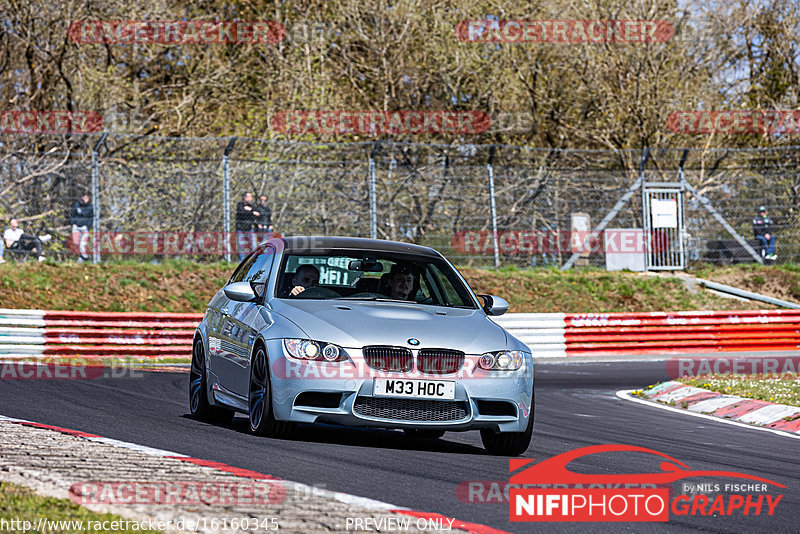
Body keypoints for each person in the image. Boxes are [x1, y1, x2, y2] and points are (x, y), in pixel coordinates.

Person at [235, 193, 261, 260]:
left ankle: (251, 260)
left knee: (253, 246)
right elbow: (241, 213)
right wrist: (252, 212)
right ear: (245, 197)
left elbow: (258, 212)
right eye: (249, 197)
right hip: (240, 228)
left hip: (249, 228)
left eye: (251, 197)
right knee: (241, 246)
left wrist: (250, 210)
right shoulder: (240, 205)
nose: (250, 198)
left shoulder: (251, 206)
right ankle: (241, 261)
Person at [70, 192, 93, 261]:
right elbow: (72, 215)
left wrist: (88, 226)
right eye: (85, 197)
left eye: (88, 198)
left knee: (82, 245)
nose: (86, 199)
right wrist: (73, 223)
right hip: (76, 227)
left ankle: (83, 258)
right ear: (82, 198)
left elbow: (91, 217)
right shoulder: (76, 205)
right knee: (76, 243)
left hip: (84, 228)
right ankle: (85, 258)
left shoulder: (90, 206)